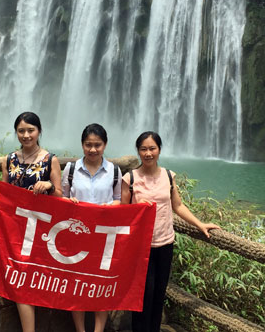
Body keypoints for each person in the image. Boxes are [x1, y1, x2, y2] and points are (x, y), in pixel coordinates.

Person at [121, 131, 220, 332]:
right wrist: (137, 208)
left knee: (158, 295)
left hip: (165, 243)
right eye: (143, 149)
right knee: (143, 296)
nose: (148, 153)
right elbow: (123, 213)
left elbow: (178, 206)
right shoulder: (130, 179)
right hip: (141, 248)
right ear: (138, 152)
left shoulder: (168, 176)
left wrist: (200, 224)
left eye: (152, 148)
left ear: (159, 150)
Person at [0, 111, 62, 332]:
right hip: (15, 228)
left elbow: (60, 197)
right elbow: (5, 191)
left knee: (33, 277)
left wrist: (49, 186)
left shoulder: (50, 160)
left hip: (40, 228)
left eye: (30, 130)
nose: (26, 135)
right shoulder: (9, 159)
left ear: (39, 131)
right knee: (21, 278)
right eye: (21, 131)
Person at [61, 123, 121, 332]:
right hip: (75, 236)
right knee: (76, 286)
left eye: (98, 145)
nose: (93, 149)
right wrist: (70, 203)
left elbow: (118, 200)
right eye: (88, 145)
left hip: (103, 238)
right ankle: (80, 330)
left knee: (101, 286)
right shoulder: (70, 170)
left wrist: (109, 207)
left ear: (105, 145)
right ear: (82, 145)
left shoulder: (114, 171)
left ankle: (98, 330)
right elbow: (63, 198)